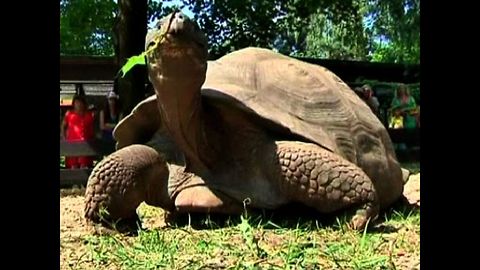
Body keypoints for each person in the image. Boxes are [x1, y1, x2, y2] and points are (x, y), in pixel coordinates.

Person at [61, 95, 95, 168]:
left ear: (83, 103)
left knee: (84, 165)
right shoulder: (69, 114)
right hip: (72, 144)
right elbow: (63, 126)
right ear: (73, 104)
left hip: (86, 144)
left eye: (80, 102)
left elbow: (92, 129)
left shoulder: (89, 115)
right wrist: (64, 138)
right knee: (73, 166)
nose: (78, 104)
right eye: (76, 102)